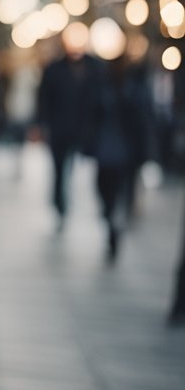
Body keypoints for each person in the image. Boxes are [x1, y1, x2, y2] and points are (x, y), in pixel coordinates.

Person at [34, 33, 103, 226]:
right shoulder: (54, 70)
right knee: (59, 168)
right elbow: (44, 100)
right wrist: (42, 124)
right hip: (59, 129)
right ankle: (59, 203)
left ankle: (66, 201)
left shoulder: (93, 69)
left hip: (82, 129)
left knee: (74, 168)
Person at [91, 52, 154, 259]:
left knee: (120, 194)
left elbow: (143, 122)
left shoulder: (134, 89)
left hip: (125, 152)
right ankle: (111, 219)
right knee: (103, 191)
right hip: (106, 150)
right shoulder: (102, 86)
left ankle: (115, 224)